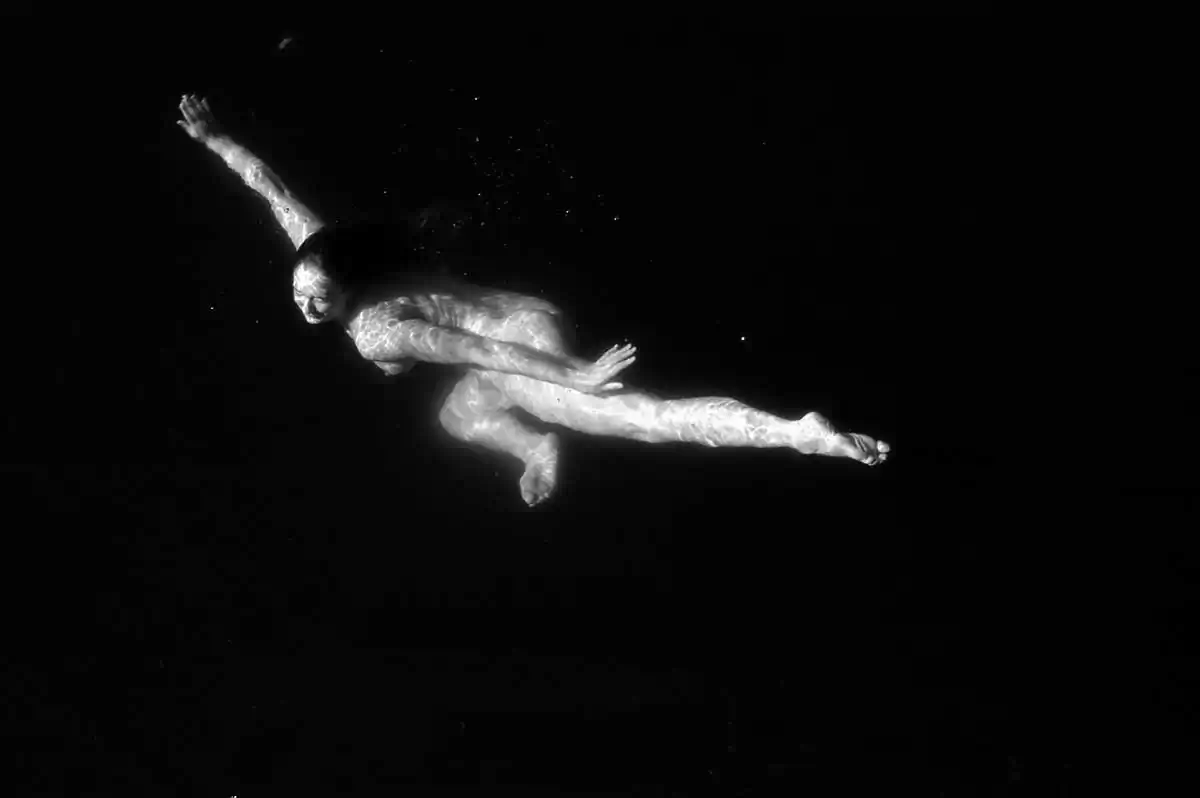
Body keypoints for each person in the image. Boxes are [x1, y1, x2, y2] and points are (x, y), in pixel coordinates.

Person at [176, 94, 889, 507]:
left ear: (346, 291)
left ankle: (798, 432)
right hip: (521, 312)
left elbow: (477, 349)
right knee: (458, 417)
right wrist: (216, 139)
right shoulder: (330, 252)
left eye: (318, 298)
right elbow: (269, 188)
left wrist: (573, 375)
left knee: (645, 421)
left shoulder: (377, 333)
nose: (305, 306)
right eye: (302, 295)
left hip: (522, 348)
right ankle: (534, 447)